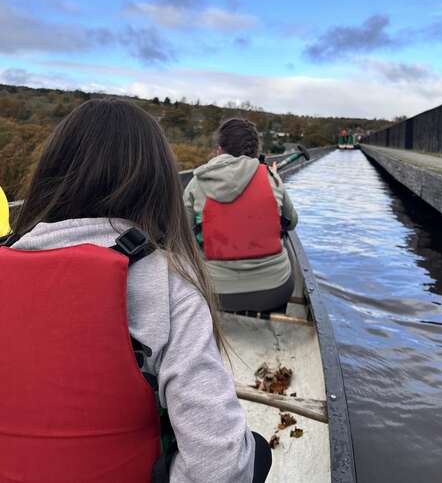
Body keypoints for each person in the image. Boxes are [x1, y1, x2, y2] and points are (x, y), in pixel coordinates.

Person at [0, 100, 271, 483]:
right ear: (157, 182)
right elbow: (221, 467)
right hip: (267, 282)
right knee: (255, 451)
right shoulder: (167, 283)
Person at [183, 117, 298, 312]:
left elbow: (183, 235)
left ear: (220, 149)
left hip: (216, 293)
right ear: (255, 150)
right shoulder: (271, 177)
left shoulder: (197, 182)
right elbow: (292, 222)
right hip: (275, 290)